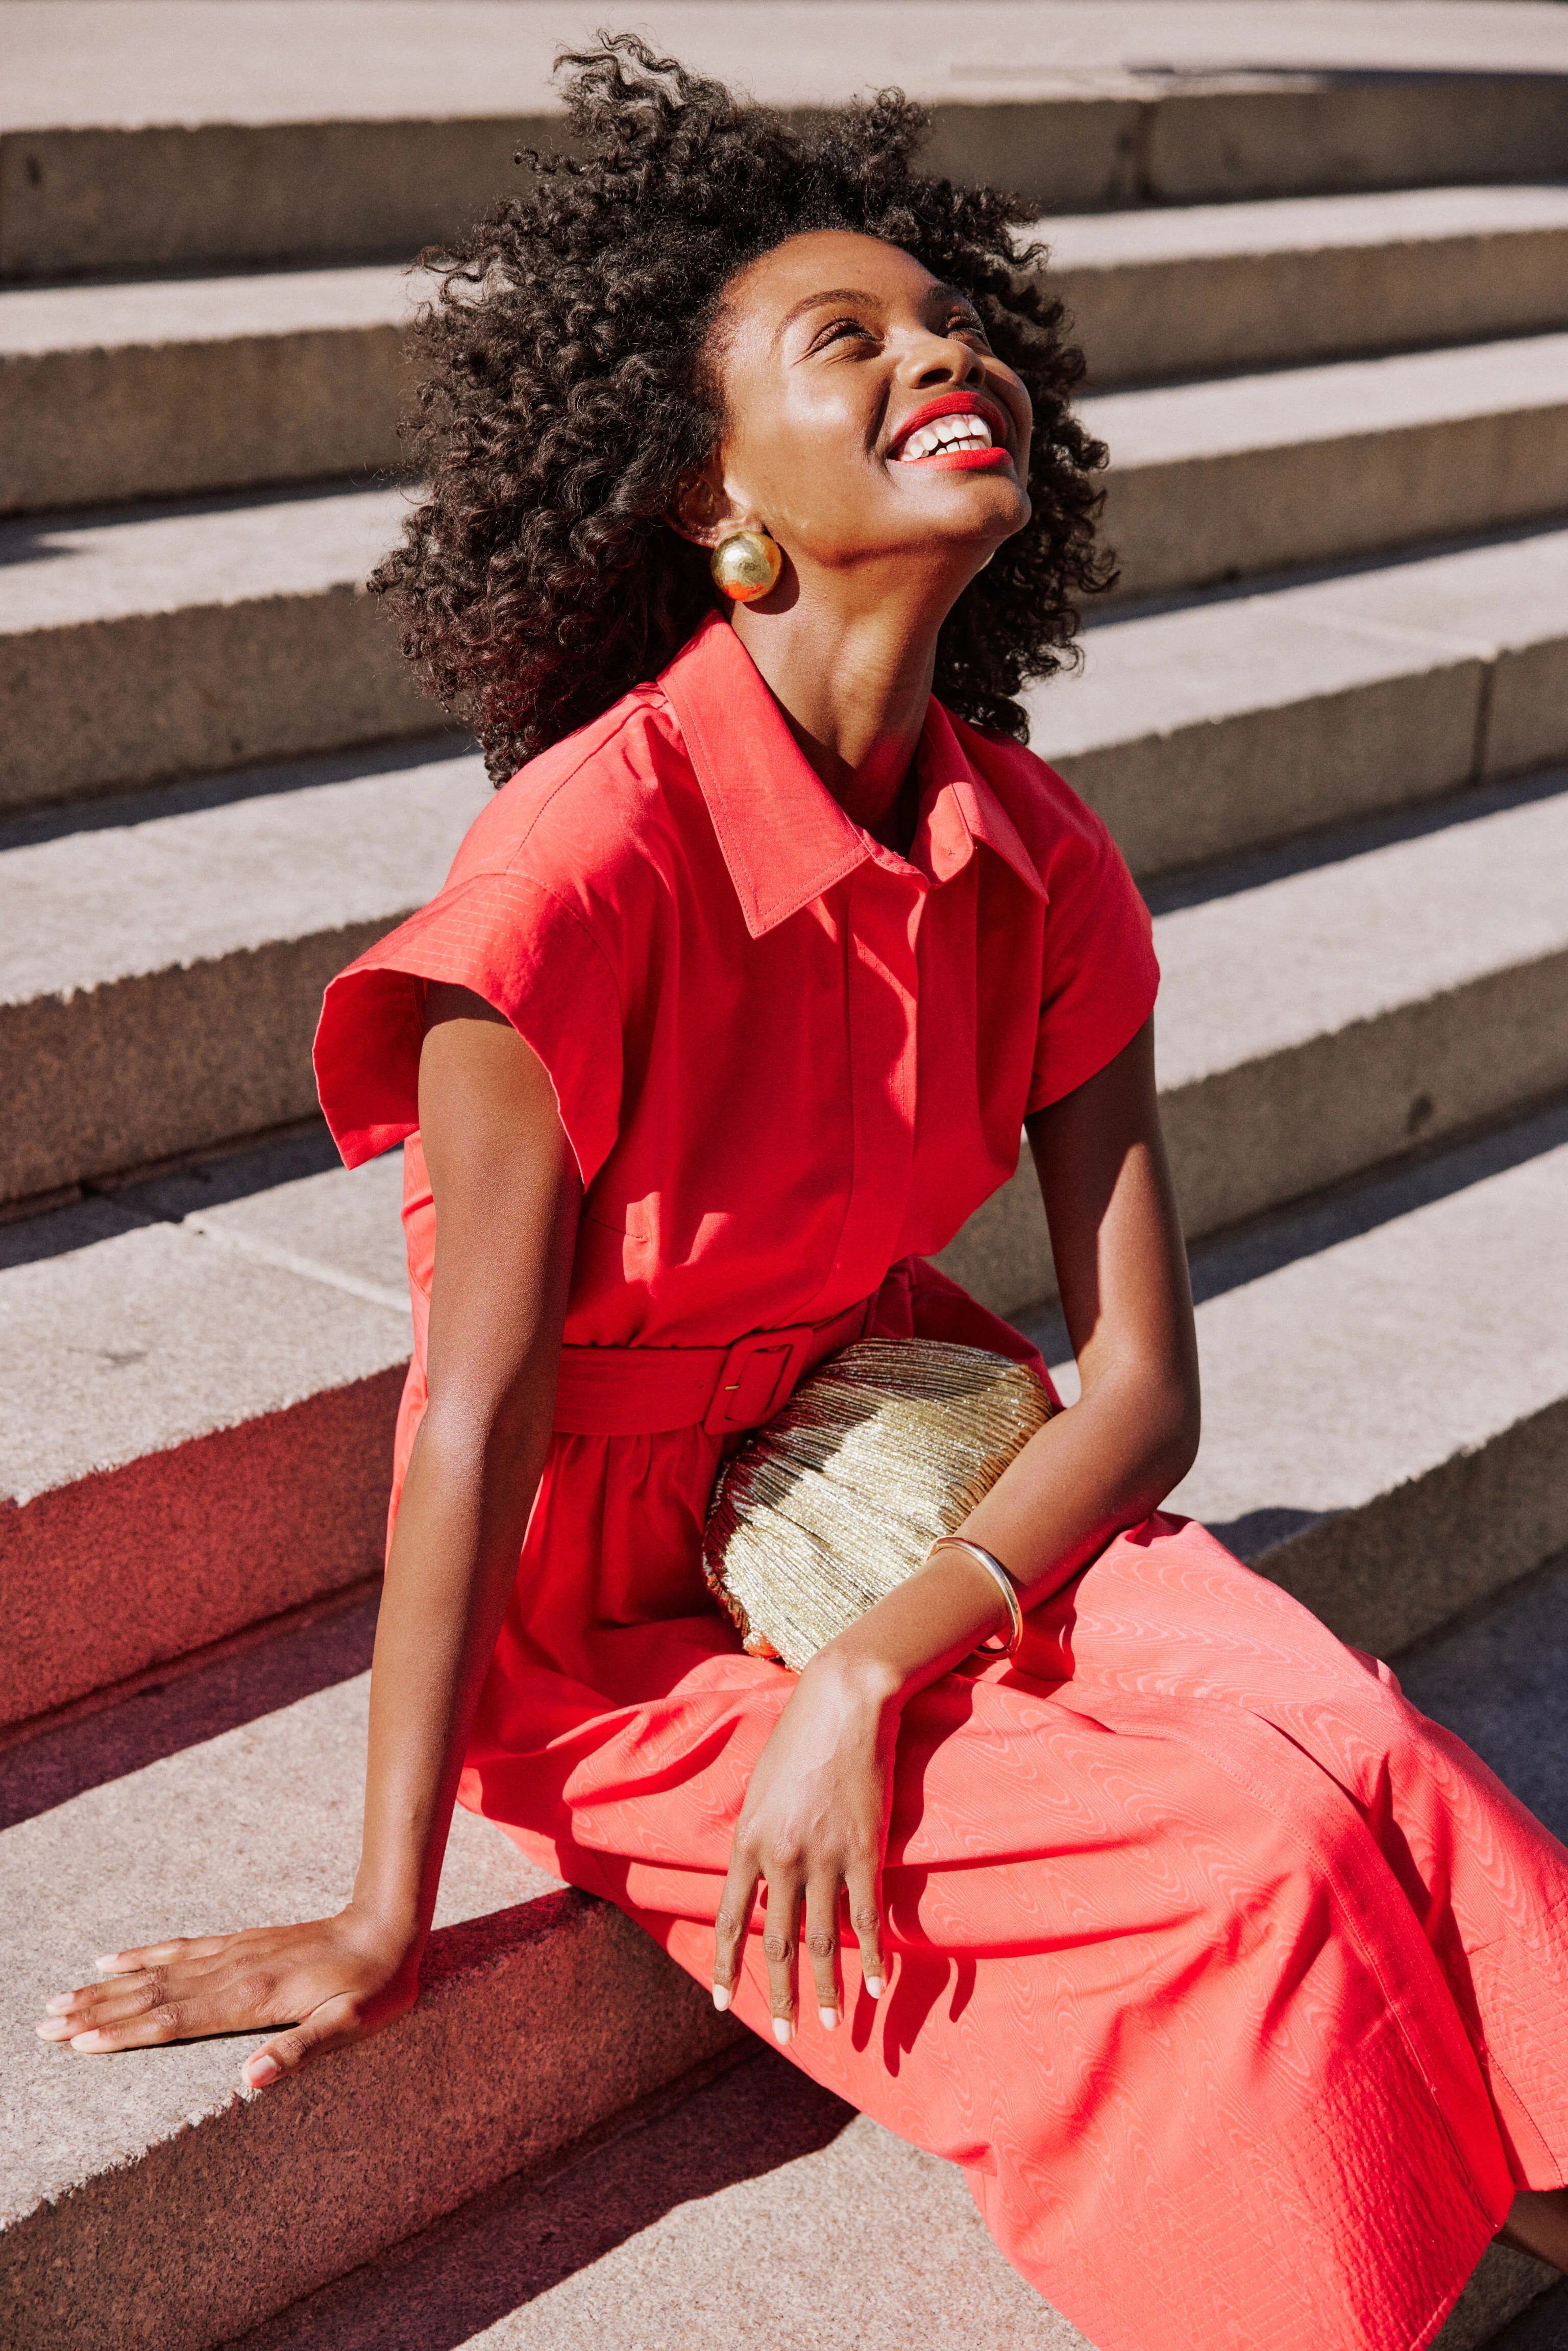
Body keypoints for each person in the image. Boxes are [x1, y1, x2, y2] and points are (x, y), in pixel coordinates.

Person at [38, 39, 1568, 2351]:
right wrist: (380, 1912)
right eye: (845, 339)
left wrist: (873, 1661)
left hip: (900, 1465)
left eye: (954, 324)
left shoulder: (1041, 858)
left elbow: (1140, 1390)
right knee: (1233, 1859)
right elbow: (468, 1419)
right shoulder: (582, 863)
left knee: (1352, 1738)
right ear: (709, 489)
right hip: (617, 1623)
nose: (937, 352)